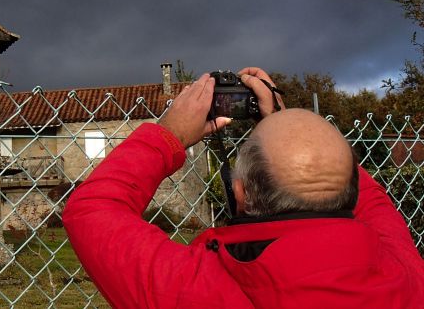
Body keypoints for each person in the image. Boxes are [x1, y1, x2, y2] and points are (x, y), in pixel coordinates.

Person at [62, 67, 424, 309]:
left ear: (241, 193)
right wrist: (287, 125)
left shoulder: (194, 290)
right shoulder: (405, 272)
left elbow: (92, 209)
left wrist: (169, 135)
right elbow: (373, 202)